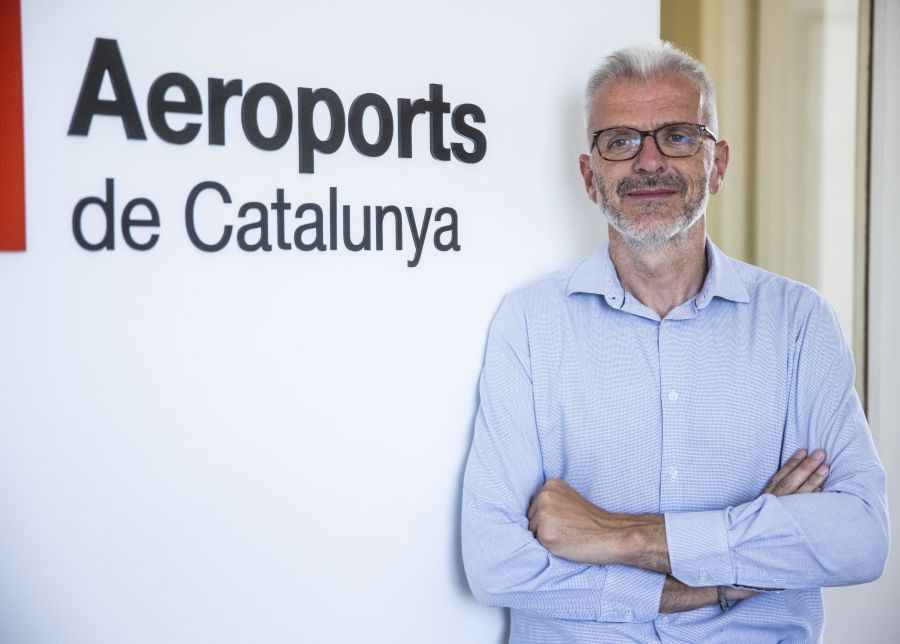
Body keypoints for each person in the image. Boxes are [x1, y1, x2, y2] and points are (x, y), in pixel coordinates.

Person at [460, 41, 888, 643]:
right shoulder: (529, 324)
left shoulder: (799, 322)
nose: (648, 161)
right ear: (589, 177)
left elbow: (861, 537)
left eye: (679, 137)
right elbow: (496, 562)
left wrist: (620, 536)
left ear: (718, 164)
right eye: (620, 141)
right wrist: (726, 575)